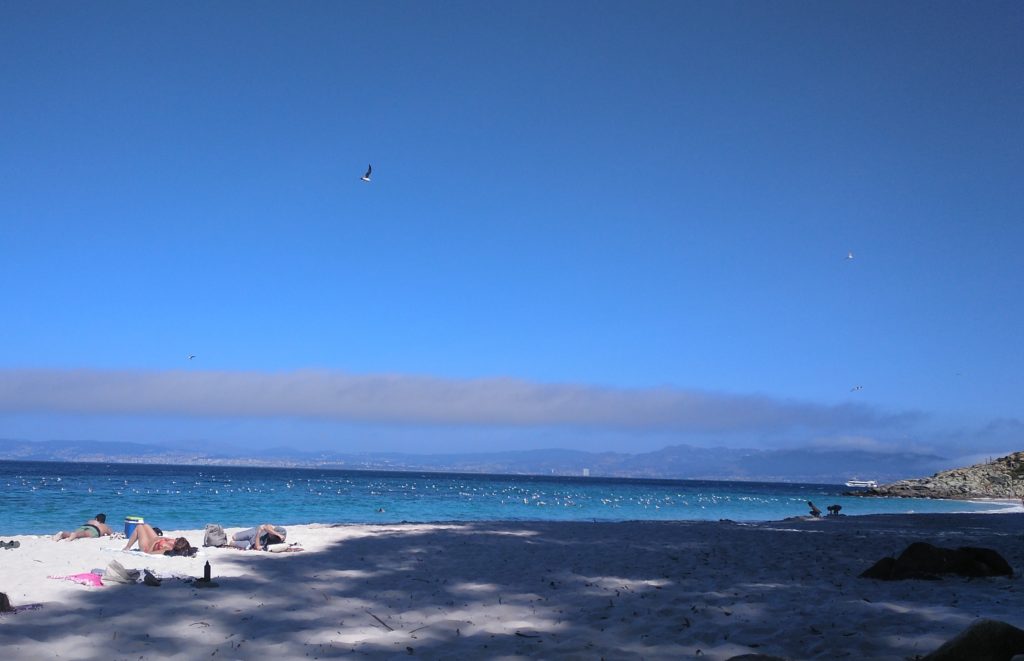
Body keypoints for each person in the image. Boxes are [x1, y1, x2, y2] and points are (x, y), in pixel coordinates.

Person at [123, 523, 194, 556]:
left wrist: (154, 542)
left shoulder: (166, 549)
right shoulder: (174, 541)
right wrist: (163, 538)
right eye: (177, 539)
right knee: (145, 525)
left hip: (146, 546)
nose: (175, 539)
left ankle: (128, 547)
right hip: (155, 539)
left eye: (177, 540)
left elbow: (148, 553)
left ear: (176, 544)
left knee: (139, 527)